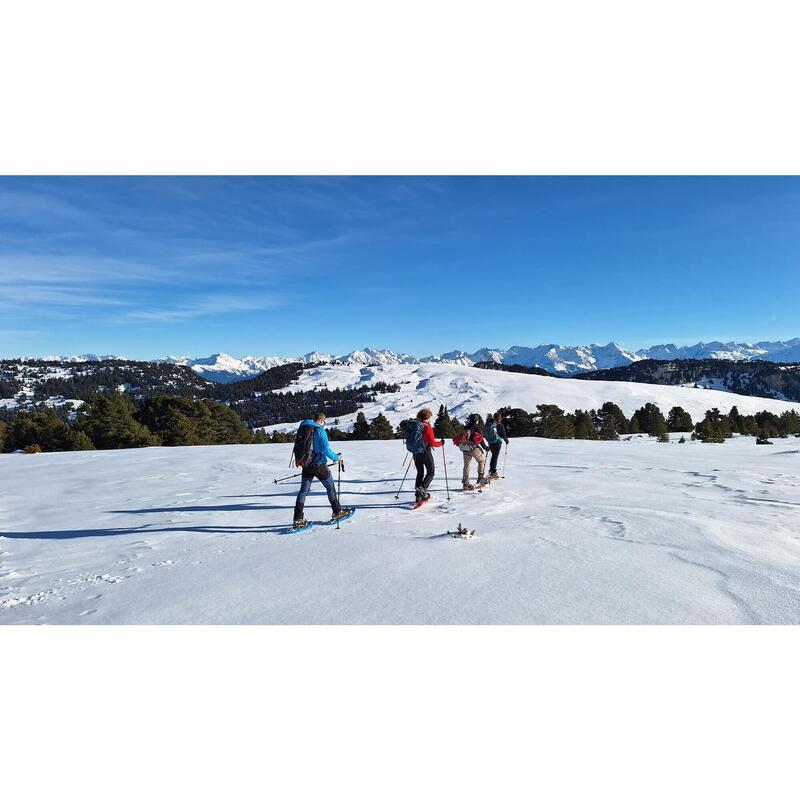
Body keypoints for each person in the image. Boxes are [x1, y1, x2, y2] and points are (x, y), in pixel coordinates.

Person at [292, 411, 352, 530]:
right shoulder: (320, 431)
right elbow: (325, 450)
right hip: (319, 465)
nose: (325, 423)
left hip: (306, 465)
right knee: (330, 486)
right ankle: (337, 512)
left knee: (303, 491)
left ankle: (297, 519)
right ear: (321, 421)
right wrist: (337, 457)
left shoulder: (305, 428)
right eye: (324, 421)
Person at [413, 407, 444, 502]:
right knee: (431, 472)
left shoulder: (415, 425)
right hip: (426, 452)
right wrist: (441, 443)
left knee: (420, 473)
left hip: (416, 452)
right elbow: (432, 442)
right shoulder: (427, 427)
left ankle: (418, 496)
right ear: (428, 416)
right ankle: (422, 488)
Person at [459, 413, 490, 490]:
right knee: (481, 461)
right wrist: (485, 447)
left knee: (466, 465)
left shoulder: (466, 427)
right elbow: (481, 440)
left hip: (465, 448)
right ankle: (480, 478)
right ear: (476, 421)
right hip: (473, 448)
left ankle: (465, 484)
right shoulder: (476, 428)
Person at [484, 411, 509, 479]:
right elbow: (503, 434)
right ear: (500, 418)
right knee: (495, 456)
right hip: (497, 442)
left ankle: (492, 470)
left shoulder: (490, 423)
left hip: (490, 442)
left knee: (493, 456)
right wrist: (506, 440)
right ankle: (493, 472)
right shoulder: (500, 425)